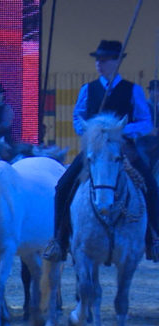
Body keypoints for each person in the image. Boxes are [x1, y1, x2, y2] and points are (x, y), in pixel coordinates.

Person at [44, 40, 157, 262]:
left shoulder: (132, 90)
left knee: (151, 186)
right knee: (63, 186)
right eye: (98, 59)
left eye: (104, 60)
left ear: (117, 62)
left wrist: (120, 130)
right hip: (94, 149)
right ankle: (59, 239)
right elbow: (78, 118)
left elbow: (145, 122)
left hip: (124, 148)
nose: (99, 63)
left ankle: (153, 238)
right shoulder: (88, 89)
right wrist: (93, 130)